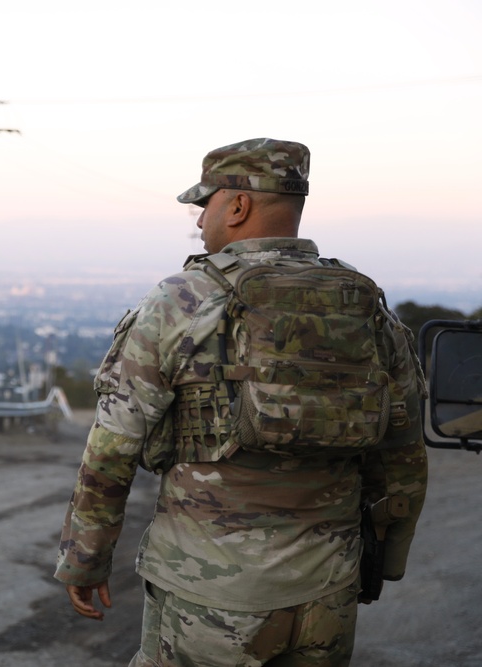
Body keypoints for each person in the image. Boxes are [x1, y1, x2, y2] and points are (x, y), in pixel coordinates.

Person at [54, 138, 428, 666]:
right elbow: (405, 452)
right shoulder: (363, 306)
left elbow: (112, 448)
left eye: (204, 203)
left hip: (210, 595)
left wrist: (84, 560)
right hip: (329, 588)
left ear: (238, 206)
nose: (199, 219)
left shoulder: (181, 301)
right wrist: (384, 561)